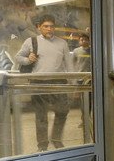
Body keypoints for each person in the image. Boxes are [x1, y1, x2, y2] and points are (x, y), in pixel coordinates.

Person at [15, 14, 73, 152]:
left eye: (51, 26)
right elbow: (18, 57)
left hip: (59, 82)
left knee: (63, 111)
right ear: (39, 27)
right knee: (41, 115)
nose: (49, 29)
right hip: (38, 81)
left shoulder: (62, 43)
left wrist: (74, 84)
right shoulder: (31, 41)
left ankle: (56, 139)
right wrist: (28, 59)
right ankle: (42, 144)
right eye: (46, 26)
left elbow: (69, 65)